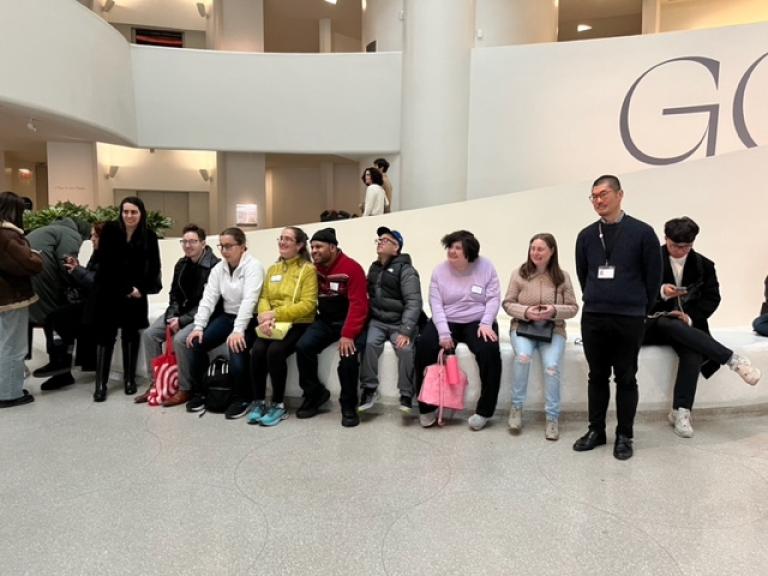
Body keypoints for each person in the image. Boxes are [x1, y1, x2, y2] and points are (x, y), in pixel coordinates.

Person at [643, 217, 761, 438]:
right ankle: (732, 359)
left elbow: (712, 298)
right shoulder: (650, 260)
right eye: (674, 245)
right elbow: (636, 293)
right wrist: (660, 292)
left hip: (687, 326)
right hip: (652, 323)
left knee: (693, 352)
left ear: (693, 242)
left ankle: (681, 411)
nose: (680, 251)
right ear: (665, 238)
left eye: (686, 246)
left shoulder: (703, 265)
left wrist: (689, 318)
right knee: (668, 321)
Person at [573, 175, 662, 460]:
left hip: (629, 317)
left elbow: (653, 277)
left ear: (619, 195)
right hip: (595, 316)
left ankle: (625, 435)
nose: (598, 200)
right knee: (596, 376)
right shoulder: (586, 235)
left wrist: (640, 308)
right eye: (594, 196)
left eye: (604, 194)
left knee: (626, 378)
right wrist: (597, 297)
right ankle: (596, 431)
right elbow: (583, 273)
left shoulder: (643, 233)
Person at [415, 230, 502, 431]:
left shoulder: (486, 267)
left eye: (457, 248)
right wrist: (444, 333)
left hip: (478, 320)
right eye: (450, 247)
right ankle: (426, 407)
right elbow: (435, 304)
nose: (452, 251)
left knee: (489, 350)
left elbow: (493, 298)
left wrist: (486, 323)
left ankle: (484, 411)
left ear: (469, 252)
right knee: (424, 346)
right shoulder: (439, 271)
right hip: (447, 319)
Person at [502, 233, 579, 441]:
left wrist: (553, 310)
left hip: (553, 330)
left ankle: (552, 418)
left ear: (551, 251)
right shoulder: (519, 274)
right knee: (523, 358)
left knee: (552, 366)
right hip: (523, 328)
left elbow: (573, 308)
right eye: (533, 248)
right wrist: (526, 312)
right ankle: (516, 408)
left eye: (540, 249)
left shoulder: (562, 277)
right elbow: (507, 303)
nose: (535, 253)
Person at [185, 227, 264, 419]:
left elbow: (250, 300)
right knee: (196, 344)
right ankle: (202, 392)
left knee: (236, 347)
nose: (224, 250)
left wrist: (238, 330)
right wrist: (198, 327)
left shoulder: (254, 266)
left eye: (229, 246)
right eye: (221, 246)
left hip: (249, 319)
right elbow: (208, 299)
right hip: (228, 316)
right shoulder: (219, 269)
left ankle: (243, 398)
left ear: (242, 246)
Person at [136, 224, 219, 406]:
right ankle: (156, 384)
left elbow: (208, 303)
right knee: (150, 335)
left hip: (201, 315)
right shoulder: (181, 264)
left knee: (182, 338)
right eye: (185, 241)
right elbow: (174, 294)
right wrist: (172, 315)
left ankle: (185, 388)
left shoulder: (215, 266)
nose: (188, 245)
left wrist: (181, 321)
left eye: (193, 242)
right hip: (178, 311)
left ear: (203, 243)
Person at [294, 227, 369, 427]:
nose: (314, 251)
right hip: (326, 320)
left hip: (350, 321)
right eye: (312, 247)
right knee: (303, 347)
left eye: (319, 246)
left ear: (333, 247)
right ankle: (314, 394)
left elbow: (359, 305)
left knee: (348, 359)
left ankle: (348, 405)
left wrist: (348, 334)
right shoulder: (312, 269)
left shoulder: (352, 268)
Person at [90, 197, 162, 402]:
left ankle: (129, 379)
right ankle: (100, 384)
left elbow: (154, 266)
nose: (129, 216)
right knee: (106, 337)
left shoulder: (149, 236)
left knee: (131, 335)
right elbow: (105, 264)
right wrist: (125, 288)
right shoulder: (111, 231)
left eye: (134, 212)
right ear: (121, 213)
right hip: (110, 292)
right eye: (126, 212)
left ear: (141, 214)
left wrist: (142, 288)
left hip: (137, 295)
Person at [247, 227, 318, 427]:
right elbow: (264, 298)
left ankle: (278, 405)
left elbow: (308, 304)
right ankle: (259, 401)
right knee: (257, 350)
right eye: (281, 238)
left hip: (298, 323)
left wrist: (275, 314)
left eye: (288, 239)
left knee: (275, 352)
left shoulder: (308, 270)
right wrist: (265, 318)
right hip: (272, 324)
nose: (282, 242)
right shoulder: (273, 269)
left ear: (299, 245)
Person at [359, 226, 422, 416]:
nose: (380, 242)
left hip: (399, 323)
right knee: (369, 345)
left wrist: (406, 330)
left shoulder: (407, 270)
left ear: (397, 248)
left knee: (405, 349)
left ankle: (406, 393)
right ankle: (369, 389)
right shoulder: (374, 268)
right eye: (379, 240)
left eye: (386, 240)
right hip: (378, 321)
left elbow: (414, 302)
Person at [38, 223, 104, 390]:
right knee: (55, 318)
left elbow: (99, 283)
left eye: (95, 236)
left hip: (103, 307)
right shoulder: (98, 254)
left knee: (56, 318)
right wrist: (77, 269)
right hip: (92, 304)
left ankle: (60, 367)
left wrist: (77, 270)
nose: (92, 239)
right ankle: (60, 367)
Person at [27, 217, 90, 380]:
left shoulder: (46, 230)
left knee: (45, 317)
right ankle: (60, 366)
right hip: (42, 279)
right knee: (56, 314)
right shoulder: (71, 233)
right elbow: (66, 263)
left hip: (25, 281)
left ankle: (58, 367)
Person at [0, 191, 43, 408]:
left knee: (3, 343)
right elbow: (30, 263)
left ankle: (6, 387)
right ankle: (9, 393)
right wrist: (36, 254)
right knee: (13, 345)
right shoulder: (8, 235)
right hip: (11, 298)